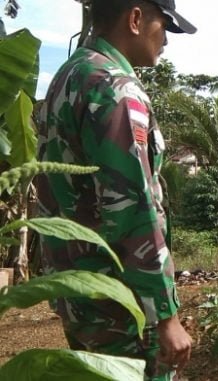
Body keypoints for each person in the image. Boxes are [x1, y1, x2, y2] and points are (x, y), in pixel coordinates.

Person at [35, 1, 196, 379]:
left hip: (81, 288)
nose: (167, 41)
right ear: (136, 19)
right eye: (165, 26)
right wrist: (165, 314)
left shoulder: (70, 73)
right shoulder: (115, 89)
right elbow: (132, 208)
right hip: (122, 303)